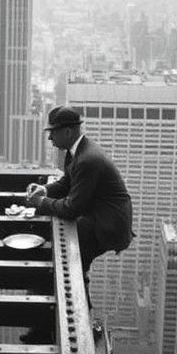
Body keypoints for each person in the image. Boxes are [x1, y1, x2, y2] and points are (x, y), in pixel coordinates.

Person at [24, 103, 134, 291]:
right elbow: (67, 183)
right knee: (71, 244)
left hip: (109, 224)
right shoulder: (76, 151)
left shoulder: (86, 160)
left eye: (53, 132)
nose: (50, 137)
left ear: (67, 132)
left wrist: (41, 203)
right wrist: (44, 190)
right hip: (99, 213)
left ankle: (78, 289)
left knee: (74, 248)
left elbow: (71, 208)